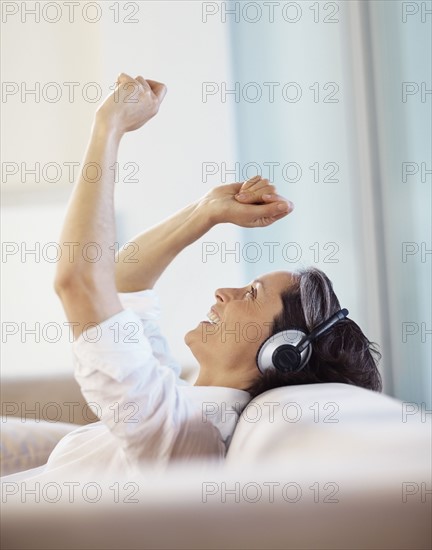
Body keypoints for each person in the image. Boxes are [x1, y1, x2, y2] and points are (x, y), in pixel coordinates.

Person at [10, 73, 382, 479]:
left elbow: (80, 282)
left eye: (252, 294)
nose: (223, 292)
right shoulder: (181, 405)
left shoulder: (187, 437)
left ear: (283, 353)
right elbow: (120, 283)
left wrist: (109, 126)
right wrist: (205, 211)